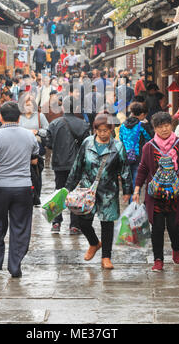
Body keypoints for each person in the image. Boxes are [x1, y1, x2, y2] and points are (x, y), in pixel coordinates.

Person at [65, 113, 132, 269]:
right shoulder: (87, 143)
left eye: (106, 130)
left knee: (107, 223)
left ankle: (106, 257)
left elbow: (125, 170)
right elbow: (77, 165)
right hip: (87, 189)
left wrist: (127, 190)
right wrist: (68, 187)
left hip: (109, 190)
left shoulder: (118, 146)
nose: (102, 134)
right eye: (99, 130)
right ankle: (94, 243)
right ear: (94, 129)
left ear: (111, 130)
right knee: (83, 221)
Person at [133, 112, 179, 272]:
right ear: (155, 129)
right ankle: (158, 259)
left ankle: (176, 248)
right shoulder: (149, 147)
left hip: (176, 195)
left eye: (167, 125)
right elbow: (143, 168)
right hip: (155, 196)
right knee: (157, 229)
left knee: (174, 227)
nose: (164, 129)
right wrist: (137, 188)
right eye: (160, 127)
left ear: (171, 125)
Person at [0, 101, 39, 278]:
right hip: (23, 188)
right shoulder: (30, 136)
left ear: (0, 117)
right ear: (19, 117)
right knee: (20, 227)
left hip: (0, 187)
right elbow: (34, 160)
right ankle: (15, 266)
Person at [46, 96, 90, 235]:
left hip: (59, 163)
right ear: (76, 108)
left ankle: (56, 222)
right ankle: (74, 225)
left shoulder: (54, 124)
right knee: (76, 193)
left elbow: (48, 144)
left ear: (63, 107)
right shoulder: (83, 124)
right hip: (76, 165)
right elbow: (87, 146)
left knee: (59, 191)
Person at [19, 95, 49, 206]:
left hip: (36, 149)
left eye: (30, 104)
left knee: (36, 173)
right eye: (26, 104)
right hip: (21, 150)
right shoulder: (19, 117)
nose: (28, 107)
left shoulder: (39, 116)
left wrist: (37, 132)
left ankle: (36, 196)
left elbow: (47, 130)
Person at [119, 102, 152, 191]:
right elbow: (150, 138)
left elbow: (121, 139)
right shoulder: (141, 126)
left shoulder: (123, 125)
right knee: (136, 181)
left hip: (125, 155)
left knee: (127, 180)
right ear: (141, 114)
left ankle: (130, 200)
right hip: (138, 156)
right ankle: (134, 202)